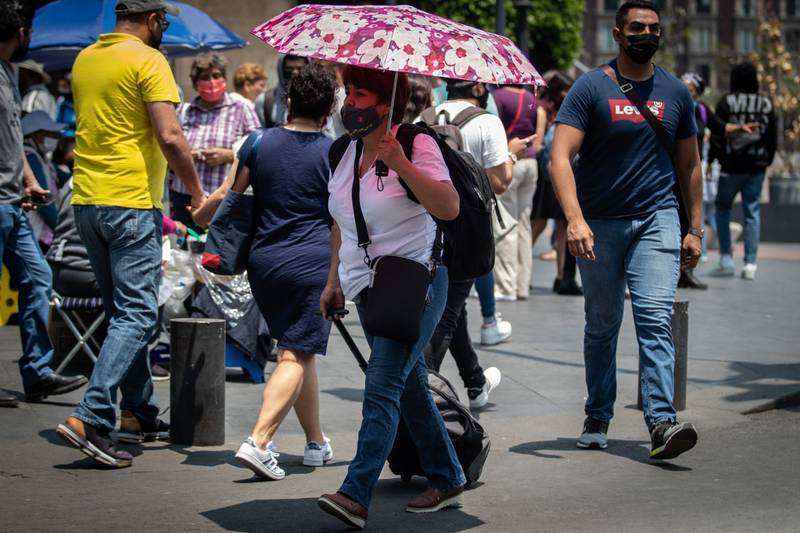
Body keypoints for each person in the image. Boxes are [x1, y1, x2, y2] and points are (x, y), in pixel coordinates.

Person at [55, 0, 206, 468]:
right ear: (154, 19)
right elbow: (170, 135)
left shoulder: (86, 59)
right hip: (130, 201)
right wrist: (198, 196)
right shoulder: (150, 60)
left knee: (123, 309)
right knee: (139, 313)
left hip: (86, 201)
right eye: (165, 22)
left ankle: (138, 411)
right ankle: (91, 413)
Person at [550, 0, 702, 460]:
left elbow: (690, 165)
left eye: (653, 28)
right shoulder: (590, 88)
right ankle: (598, 413)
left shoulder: (676, 93)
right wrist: (574, 220)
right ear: (617, 34)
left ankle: (661, 421)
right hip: (597, 224)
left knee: (655, 317)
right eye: (637, 27)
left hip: (657, 219)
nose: (646, 34)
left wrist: (695, 227)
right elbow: (559, 157)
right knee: (602, 324)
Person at [317, 65, 465, 529]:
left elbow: (448, 206)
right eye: (348, 94)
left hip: (415, 281)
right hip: (366, 285)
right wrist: (333, 279)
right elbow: (341, 218)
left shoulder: (418, 145)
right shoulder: (343, 151)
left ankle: (356, 493)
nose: (349, 104)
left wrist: (401, 163)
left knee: (382, 384)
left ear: (385, 103)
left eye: (358, 94)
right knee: (411, 385)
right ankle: (447, 474)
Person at [194, 64, 338, 480]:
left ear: (288, 101)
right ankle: (258, 441)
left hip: (264, 262)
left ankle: (315, 443)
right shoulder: (335, 152)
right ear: (329, 108)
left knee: (297, 347)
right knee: (295, 352)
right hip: (311, 264)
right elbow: (339, 219)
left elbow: (234, 199)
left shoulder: (258, 143)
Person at [0, 0, 88, 409]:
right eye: (29, 33)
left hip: (13, 203)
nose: (30, 39)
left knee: (37, 278)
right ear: (20, 33)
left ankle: (37, 372)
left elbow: (14, 140)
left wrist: (30, 181)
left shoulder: (10, 73)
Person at [424, 78, 527, 410]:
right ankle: (426, 386)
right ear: (479, 90)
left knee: (454, 308)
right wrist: (510, 155)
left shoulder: (423, 118)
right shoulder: (486, 122)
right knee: (448, 313)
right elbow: (499, 183)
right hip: (466, 229)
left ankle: (475, 381)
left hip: (425, 226)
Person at [170, 53, 260, 234]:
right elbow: (170, 148)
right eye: (205, 77)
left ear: (224, 78)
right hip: (185, 199)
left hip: (221, 199)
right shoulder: (184, 111)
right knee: (183, 257)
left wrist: (228, 155)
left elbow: (258, 148)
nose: (211, 81)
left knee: (216, 257)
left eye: (216, 75)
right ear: (196, 83)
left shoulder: (241, 108)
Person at [709, 62, 777, 281]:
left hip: (731, 166)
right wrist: (767, 160)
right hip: (756, 165)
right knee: (752, 212)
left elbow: (718, 134)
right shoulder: (766, 103)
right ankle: (750, 263)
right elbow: (773, 136)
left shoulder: (726, 102)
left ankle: (726, 258)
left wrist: (714, 159)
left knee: (722, 208)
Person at [530, 74, 583, 296]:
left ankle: (563, 277)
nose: (568, 94)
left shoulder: (563, 109)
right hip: (546, 176)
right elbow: (538, 145)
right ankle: (520, 272)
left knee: (562, 227)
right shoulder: (543, 110)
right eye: (565, 89)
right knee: (537, 225)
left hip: (556, 175)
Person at [492, 83, 538, 300]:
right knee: (524, 225)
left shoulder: (498, 96)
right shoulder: (531, 98)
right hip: (531, 162)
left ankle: (505, 286)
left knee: (506, 222)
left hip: (510, 162)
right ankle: (523, 285)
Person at [22, 111, 64, 249]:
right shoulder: (30, 158)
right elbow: (41, 199)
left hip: (42, 232)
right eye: (49, 133)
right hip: (35, 231)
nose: (54, 137)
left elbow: (65, 178)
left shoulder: (44, 159)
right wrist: (60, 227)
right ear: (35, 134)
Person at [255, 53, 308, 128]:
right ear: (281, 70)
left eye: (300, 69)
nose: (295, 73)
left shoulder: (317, 100)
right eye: (289, 69)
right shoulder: (265, 101)